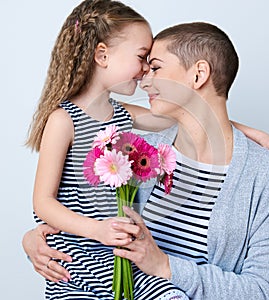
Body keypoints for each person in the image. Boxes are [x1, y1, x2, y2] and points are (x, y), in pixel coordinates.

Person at [23, 3, 269, 300]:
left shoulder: (265, 173)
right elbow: (70, 209)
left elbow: (266, 292)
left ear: (198, 74)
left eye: (154, 67)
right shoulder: (137, 152)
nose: (144, 77)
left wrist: (164, 266)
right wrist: (33, 240)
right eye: (142, 61)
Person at [26, 0, 188, 299]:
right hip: (76, 264)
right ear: (102, 55)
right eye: (141, 57)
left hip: (123, 257)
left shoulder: (123, 114)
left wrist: (250, 132)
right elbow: (42, 202)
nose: (145, 70)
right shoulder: (64, 120)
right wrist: (97, 230)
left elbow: (188, 117)